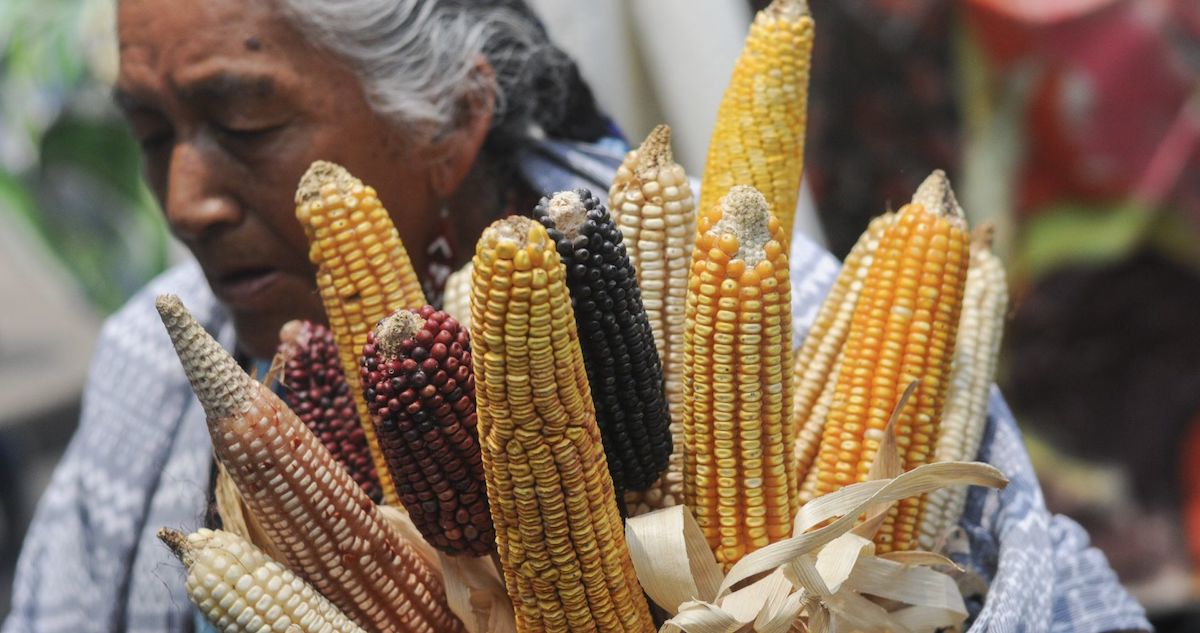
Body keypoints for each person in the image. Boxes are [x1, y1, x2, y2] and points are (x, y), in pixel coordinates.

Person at [3, 1, 1149, 632]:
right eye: (152, 136)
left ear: (453, 119)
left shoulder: (793, 318)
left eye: (245, 127)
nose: (186, 201)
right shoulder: (154, 363)